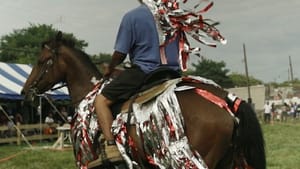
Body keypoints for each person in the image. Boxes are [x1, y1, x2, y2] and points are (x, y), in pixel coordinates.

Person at [94, 0, 181, 162]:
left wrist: (110, 68)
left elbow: (120, 53)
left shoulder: (133, 16)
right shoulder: (172, 16)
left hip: (145, 71)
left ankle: (111, 147)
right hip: (172, 73)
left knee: (101, 100)